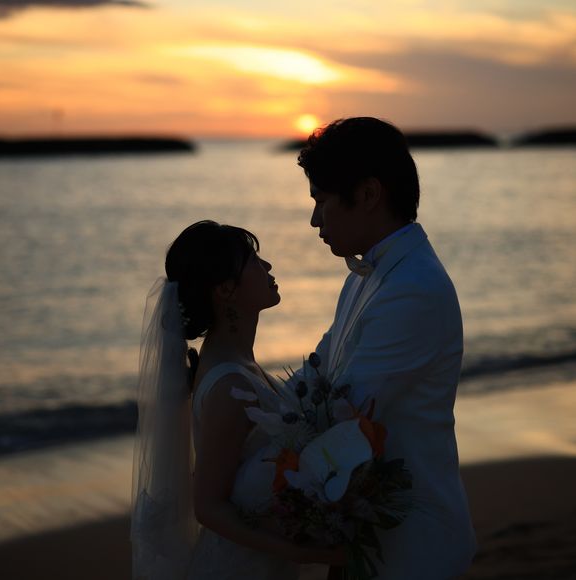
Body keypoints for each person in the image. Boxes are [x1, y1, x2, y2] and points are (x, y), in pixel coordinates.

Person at [296, 117, 477, 579]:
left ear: (369, 194)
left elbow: (343, 414)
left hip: (413, 547)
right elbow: (314, 376)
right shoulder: (366, 277)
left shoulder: (413, 288)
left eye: (321, 200)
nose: (315, 219)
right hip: (368, 537)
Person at [130, 220, 344, 580]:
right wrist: (302, 551)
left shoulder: (240, 365)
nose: (268, 266)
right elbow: (208, 508)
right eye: (255, 261)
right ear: (226, 290)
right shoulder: (230, 386)